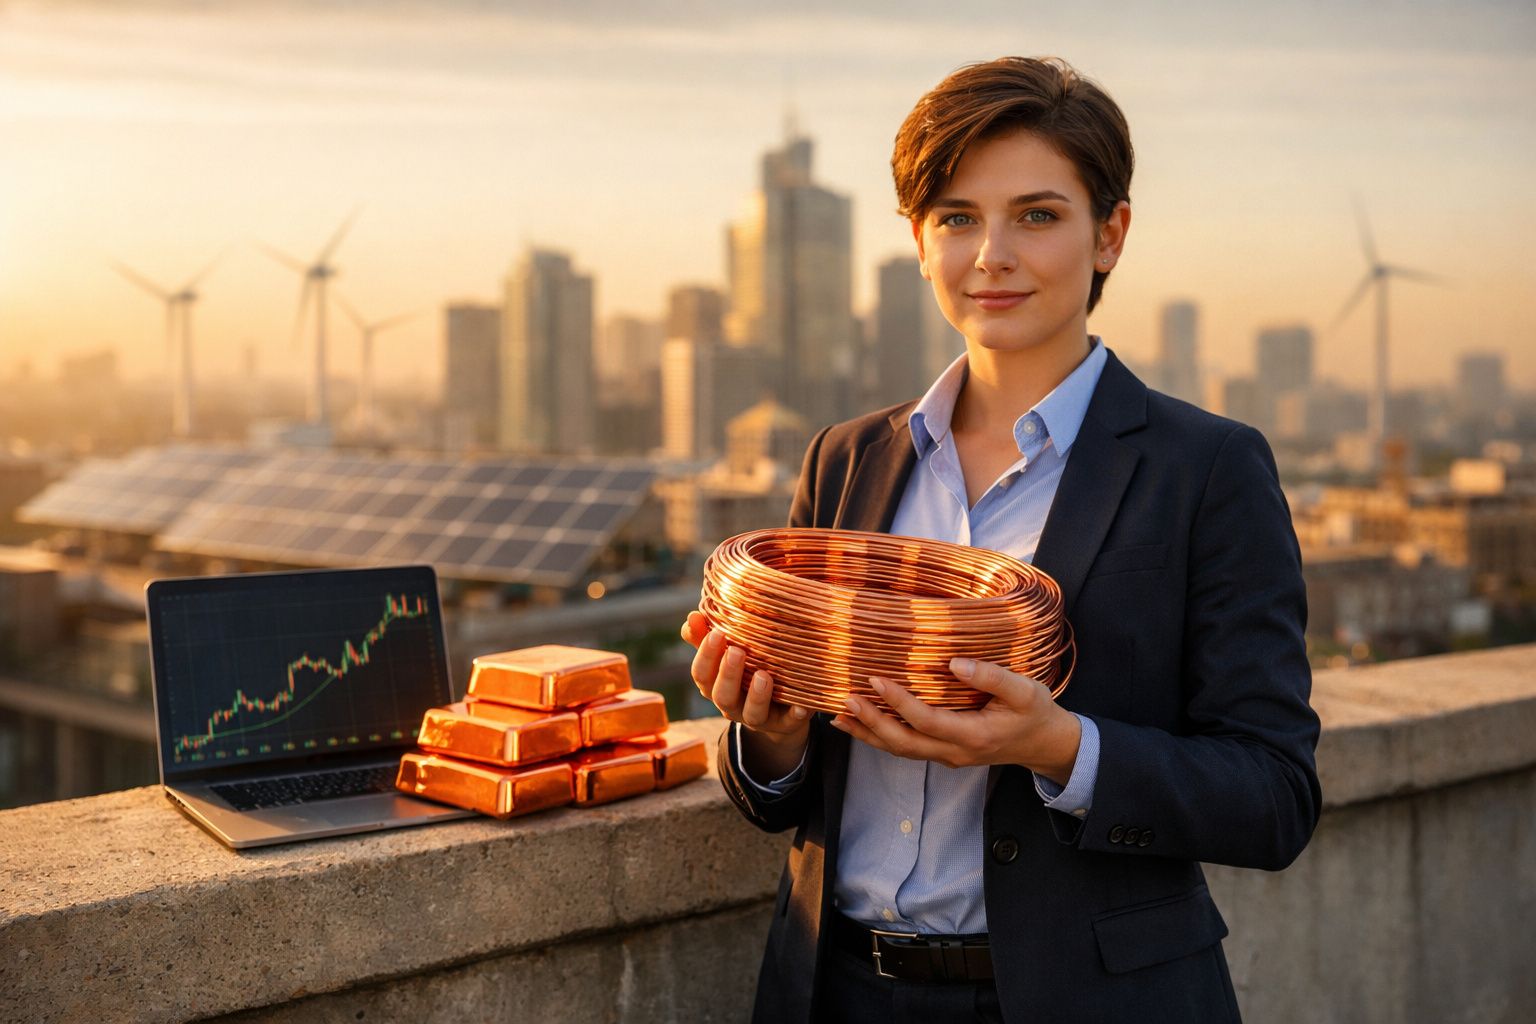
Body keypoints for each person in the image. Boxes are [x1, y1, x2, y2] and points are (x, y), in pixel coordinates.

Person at [681, 56, 1320, 1024]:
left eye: (1037, 214)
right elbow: (782, 795)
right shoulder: (847, 458)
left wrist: (1058, 747)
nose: (991, 255)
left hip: (1085, 999)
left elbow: (1273, 796)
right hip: (833, 989)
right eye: (956, 218)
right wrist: (770, 731)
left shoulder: (1207, 467)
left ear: (1110, 234)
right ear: (918, 240)